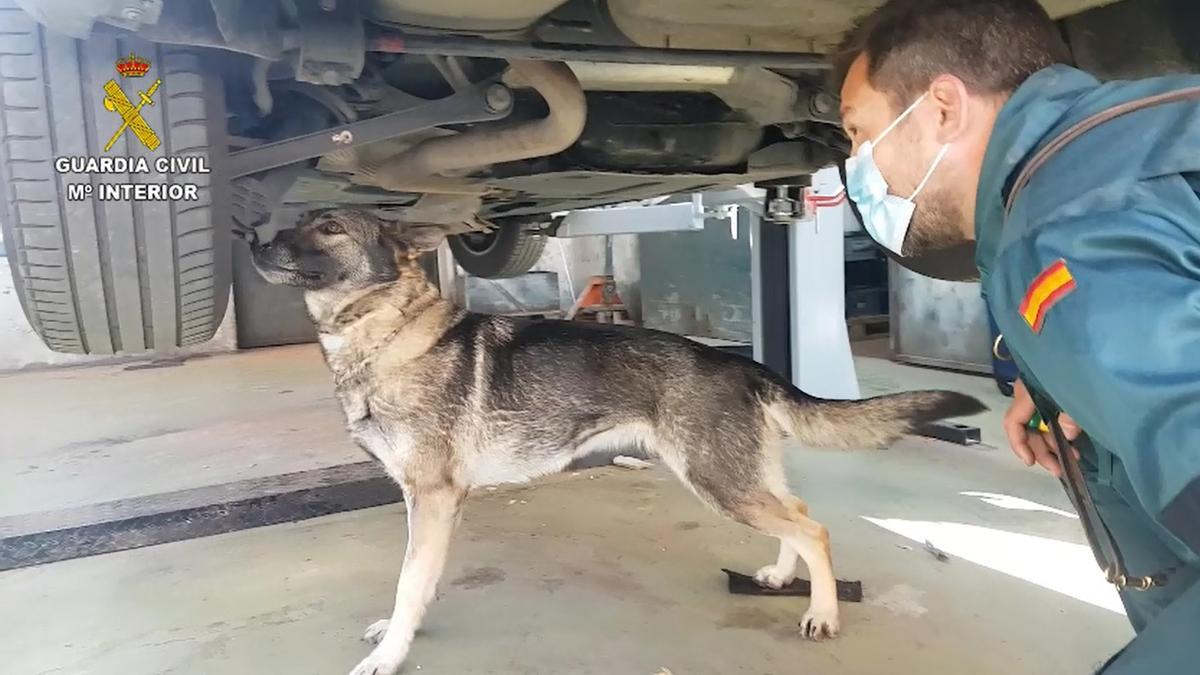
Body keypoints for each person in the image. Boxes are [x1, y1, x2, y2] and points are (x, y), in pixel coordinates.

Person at [832, 0, 1200, 671]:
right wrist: (1069, 368)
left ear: (942, 107)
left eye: (860, 134)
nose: (859, 165)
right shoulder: (1127, 136)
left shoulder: (1063, 237)